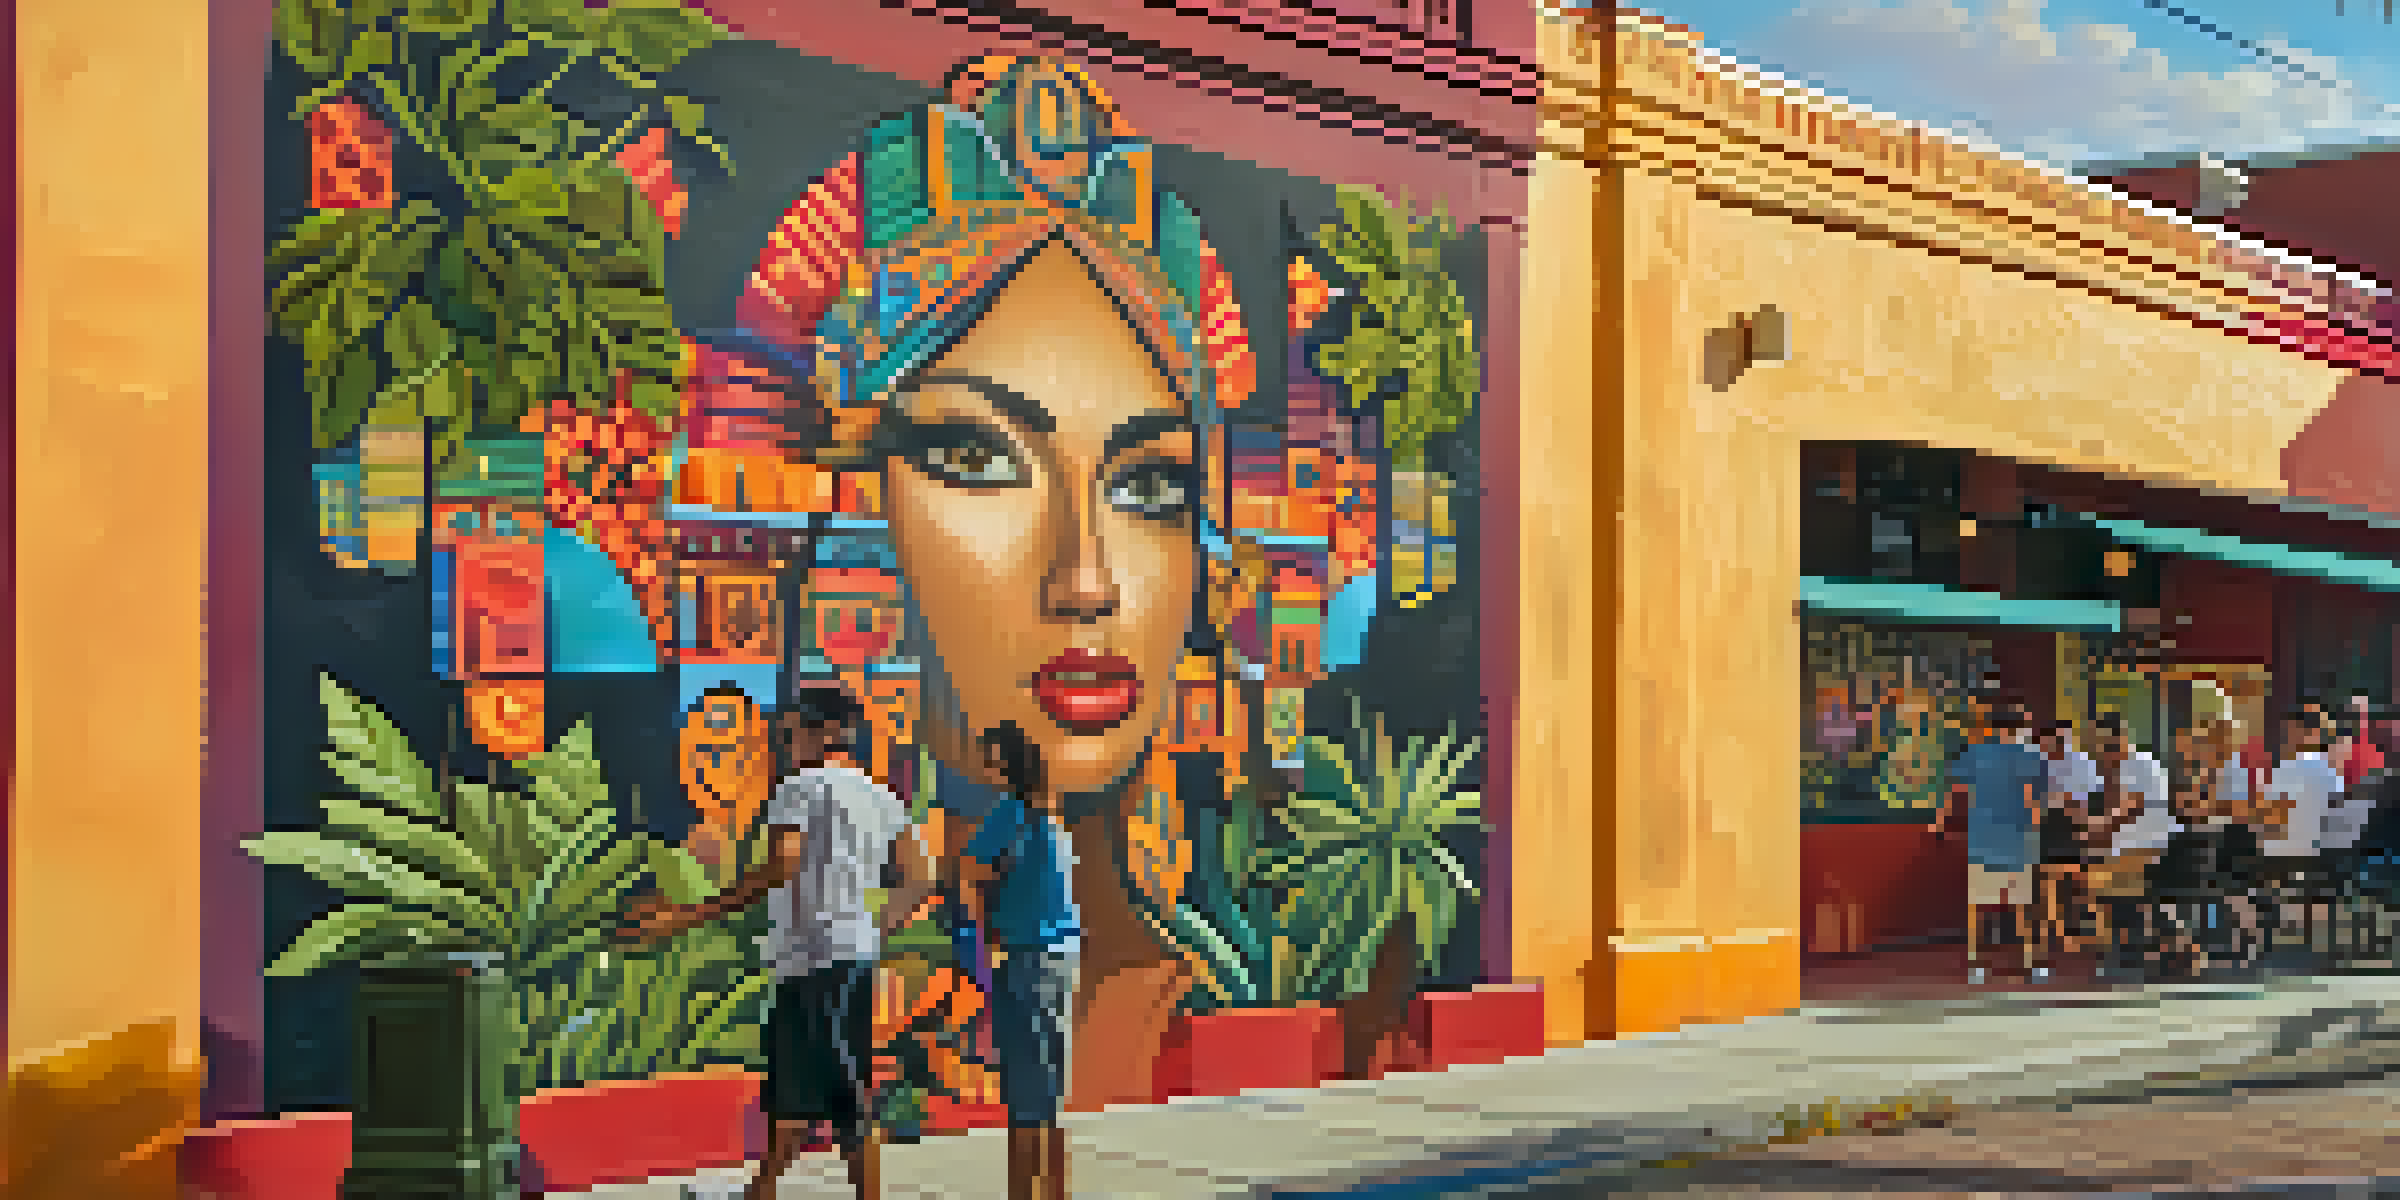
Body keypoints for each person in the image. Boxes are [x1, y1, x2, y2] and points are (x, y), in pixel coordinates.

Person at [699, 54, 1275, 1109]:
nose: (1087, 581)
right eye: (975, 458)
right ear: (857, 514)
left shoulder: (1213, 959)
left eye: (1149, 482)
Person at [618, 689, 928, 1200]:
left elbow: (782, 866)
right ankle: (761, 1191)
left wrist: (686, 916)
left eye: (791, 731)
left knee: (841, 1099)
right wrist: (874, 930)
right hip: (847, 954)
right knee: (796, 1097)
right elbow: (918, 876)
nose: (786, 743)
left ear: (823, 731)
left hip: (813, 959)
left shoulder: (800, 789)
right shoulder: (880, 795)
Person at [958, 720, 1079, 1200]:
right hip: (1061, 956)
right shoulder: (1050, 814)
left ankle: (1022, 1193)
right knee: (1049, 1091)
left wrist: (979, 929)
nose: (986, 766)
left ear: (1006, 761)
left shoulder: (1009, 813)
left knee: (1024, 1093)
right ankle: (1054, 1190)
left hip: (1025, 954)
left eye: (991, 756)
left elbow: (973, 871)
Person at [1935, 702, 2049, 984]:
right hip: (2018, 837)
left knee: (1980, 906)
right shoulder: (2032, 756)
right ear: (2019, 727)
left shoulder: (1974, 754)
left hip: (1983, 838)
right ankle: (2032, 966)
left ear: (1991, 726)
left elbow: (1954, 792)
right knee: (2024, 906)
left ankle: (1977, 966)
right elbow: (2037, 801)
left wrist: (1941, 824)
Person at [2085, 712, 2176, 972]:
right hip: (2136, 845)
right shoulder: (2132, 763)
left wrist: (2097, 829)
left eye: (2100, 741)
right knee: (2101, 886)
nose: (2097, 749)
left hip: (2145, 847)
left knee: (2107, 889)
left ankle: (2126, 955)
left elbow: (2130, 808)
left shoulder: (2135, 764)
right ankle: (2125, 952)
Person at [2034, 720, 2101, 961]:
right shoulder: (2038, 763)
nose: (2055, 744)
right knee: (2048, 882)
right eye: (2051, 739)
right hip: (2047, 824)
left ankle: (2079, 932)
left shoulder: (2082, 762)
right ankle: (2058, 934)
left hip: (2076, 825)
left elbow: (2088, 800)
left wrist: (2081, 818)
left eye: (2062, 738)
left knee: (2078, 882)